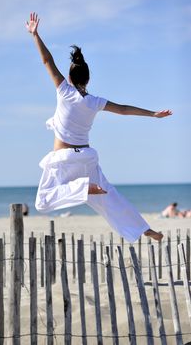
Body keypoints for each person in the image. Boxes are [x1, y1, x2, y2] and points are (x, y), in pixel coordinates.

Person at [26, 13, 172, 243]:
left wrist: (35, 35)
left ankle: (82, 188)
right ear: (88, 79)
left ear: (70, 77)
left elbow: (47, 61)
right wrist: (152, 114)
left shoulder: (64, 91)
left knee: (42, 201)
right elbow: (123, 109)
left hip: (64, 160)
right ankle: (145, 229)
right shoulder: (94, 101)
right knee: (111, 198)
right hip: (86, 158)